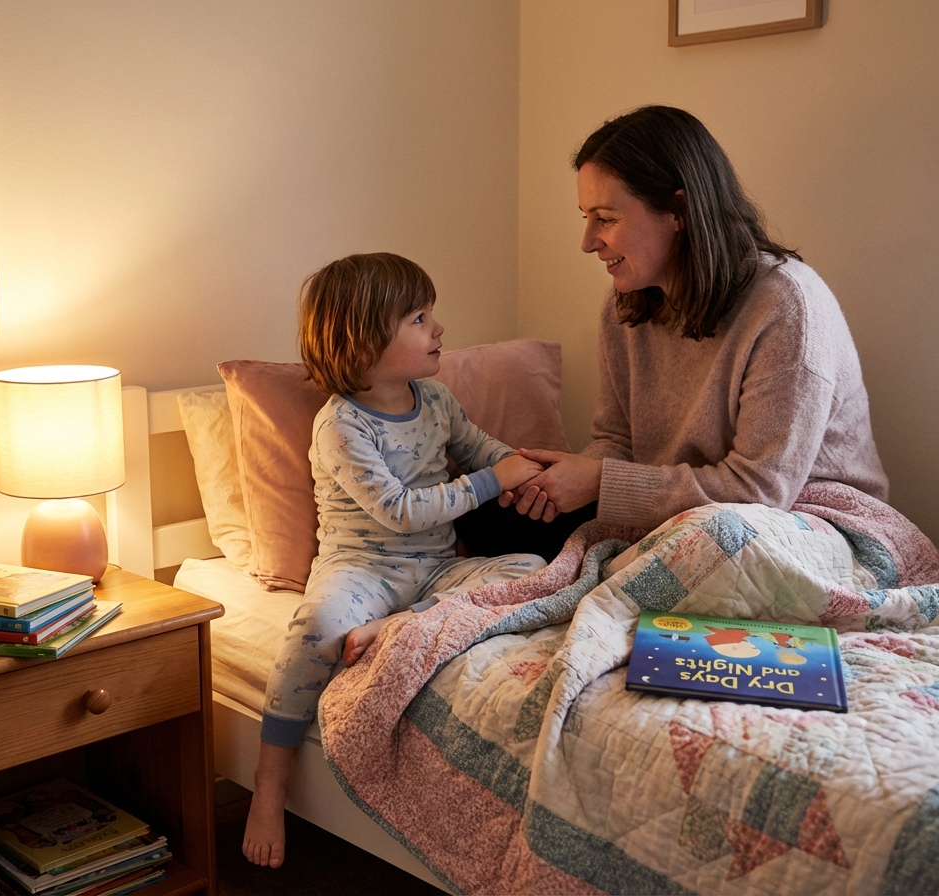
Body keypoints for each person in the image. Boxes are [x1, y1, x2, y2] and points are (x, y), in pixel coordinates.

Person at [243, 252, 547, 868]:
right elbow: (400, 511)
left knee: (528, 569)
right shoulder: (341, 425)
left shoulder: (433, 400)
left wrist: (529, 469)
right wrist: (493, 481)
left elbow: (484, 451)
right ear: (363, 339)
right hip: (363, 570)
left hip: (434, 567)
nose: (438, 329)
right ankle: (269, 786)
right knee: (315, 628)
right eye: (418, 317)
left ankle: (406, 624)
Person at [502, 105, 887, 536]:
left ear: (679, 211)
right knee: (510, 525)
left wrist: (599, 482)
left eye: (606, 219)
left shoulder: (787, 305)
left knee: (718, 544)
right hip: (687, 520)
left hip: (811, 520)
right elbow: (617, 440)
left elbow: (759, 492)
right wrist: (558, 480)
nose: (588, 242)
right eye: (586, 217)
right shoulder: (624, 307)